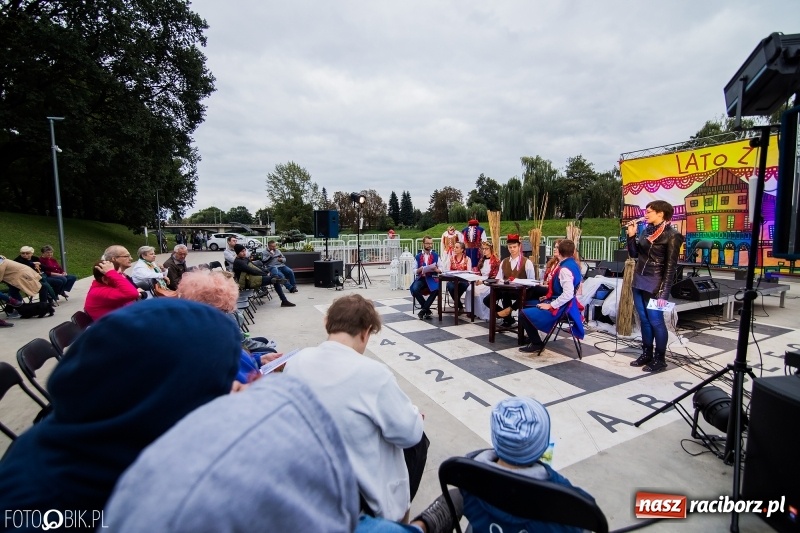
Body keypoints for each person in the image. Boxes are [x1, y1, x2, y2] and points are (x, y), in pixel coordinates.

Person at [0, 299, 241, 516]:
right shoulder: (49, 507)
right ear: (169, 397)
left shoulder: (102, 430)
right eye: (219, 385)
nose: (229, 390)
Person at [284, 294, 425, 521]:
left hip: (308, 483)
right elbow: (409, 435)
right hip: (360, 501)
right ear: (366, 332)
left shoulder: (296, 362)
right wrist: (415, 417)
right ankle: (399, 521)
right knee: (417, 441)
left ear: (327, 323)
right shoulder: (374, 374)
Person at [462, 397, 594, 532]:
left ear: (496, 438)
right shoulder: (563, 496)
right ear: (542, 448)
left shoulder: (466, 474)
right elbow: (588, 518)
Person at [176, 269, 282, 382]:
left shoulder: (213, 337)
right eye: (223, 310)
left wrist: (259, 360)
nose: (226, 316)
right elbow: (241, 382)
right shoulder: (208, 350)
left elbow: (238, 358)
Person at [626, 200, 683, 372]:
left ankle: (660, 359)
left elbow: (671, 267)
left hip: (656, 283)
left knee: (656, 321)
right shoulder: (646, 231)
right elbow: (635, 254)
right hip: (639, 280)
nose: (646, 214)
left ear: (661, 213)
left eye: (649, 211)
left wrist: (664, 292)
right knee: (644, 320)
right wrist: (631, 236)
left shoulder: (672, 235)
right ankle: (647, 353)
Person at [519, 239, 583, 352]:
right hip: (565, 303)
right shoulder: (573, 264)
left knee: (522, 313)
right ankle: (532, 336)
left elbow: (568, 294)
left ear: (560, 252)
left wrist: (551, 305)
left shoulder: (564, 269)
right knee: (527, 303)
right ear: (573, 252)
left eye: (557, 248)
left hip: (563, 308)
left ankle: (537, 343)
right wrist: (548, 297)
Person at [483, 234, 536, 328]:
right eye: (510, 247)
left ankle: (507, 317)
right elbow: (499, 278)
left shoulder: (527, 262)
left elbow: (531, 281)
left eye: (514, 247)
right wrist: (500, 281)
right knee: (487, 300)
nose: (512, 249)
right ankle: (508, 318)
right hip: (506, 289)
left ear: (519, 247)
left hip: (520, 291)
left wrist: (519, 282)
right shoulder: (504, 261)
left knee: (505, 294)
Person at [464, 241, 500, 321]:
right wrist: (476, 279)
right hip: (480, 279)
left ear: (491, 249)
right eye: (483, 249)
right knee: (469, 289)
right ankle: (471, 311)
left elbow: (495, 277)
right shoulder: (481, 260)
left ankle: (482, 313)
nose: (484, 251)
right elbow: (479, 272)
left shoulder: (495, 261)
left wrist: (483, 281)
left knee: (476, 291)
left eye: (486, 249)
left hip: (489, 282)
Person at [410, 236, 440, 320]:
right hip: (421, 278)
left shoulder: (436, 255)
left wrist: (436, 269)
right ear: (423, 244)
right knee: (414, 289)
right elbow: (414, 270)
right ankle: (426, 309)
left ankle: (423, 310)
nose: (429, 245)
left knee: (437, 289)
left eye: (431, 243)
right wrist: (419, 269)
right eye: (427, 243)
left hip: (432, 278)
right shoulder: (418, 256)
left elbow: (442, 268)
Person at [444, 241, 472, 311]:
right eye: (454, 247)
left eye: (457, 247)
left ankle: (457, 303)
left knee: (463, 285)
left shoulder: (467, 259)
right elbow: (447, 271)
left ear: (462, 250)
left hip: (463, 281)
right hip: (452, 280)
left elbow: (469, 272)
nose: (454, 249)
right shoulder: (451, 258)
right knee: (451, 287)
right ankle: (459, 305)